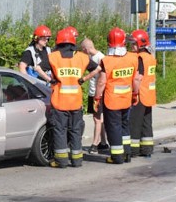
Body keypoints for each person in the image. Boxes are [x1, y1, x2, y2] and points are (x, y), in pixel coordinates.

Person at [47, 27, 97, 168]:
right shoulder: (82, 57)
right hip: (76, 102)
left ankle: (61, 161)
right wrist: (84, 79)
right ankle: (77, 160)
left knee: (60, 130)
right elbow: (99, 68)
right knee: (75, 130)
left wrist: (50, 80)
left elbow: (38, 67)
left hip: (60, 102)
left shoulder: (53, 56)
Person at [94, 27, 140, 165]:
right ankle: (127, 153)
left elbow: (101, 82)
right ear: (124, 42)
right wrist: (135, 94)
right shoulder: (133, 58)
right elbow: (136, 79)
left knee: (113, 127)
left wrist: (97, 98)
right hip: (126, 99)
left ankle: (117, 157)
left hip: (111, 101)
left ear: (109, 43)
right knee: (125, 126)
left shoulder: (106, 61)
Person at [129, 29, 156, 158]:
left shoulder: (140, 58)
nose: (131, 47)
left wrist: (134, 93)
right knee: (146, 123)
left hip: (140, 94)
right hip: (149, 95)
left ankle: (133, 150)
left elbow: (138, 78)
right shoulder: (150, 57)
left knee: (135, 123)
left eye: (133, 44)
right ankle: (147, 149)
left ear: (140, 43)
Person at [79, 37, 108, 153]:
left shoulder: (101, 58)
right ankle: (104, 142)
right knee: (97, 118)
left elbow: (102, 78)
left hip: (98, 94)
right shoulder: (91, 57)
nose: (82, 51)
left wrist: (84, 79)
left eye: (82, 49)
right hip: (93, 92)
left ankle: (95, 144)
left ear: (87, 48)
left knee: (97, 119)